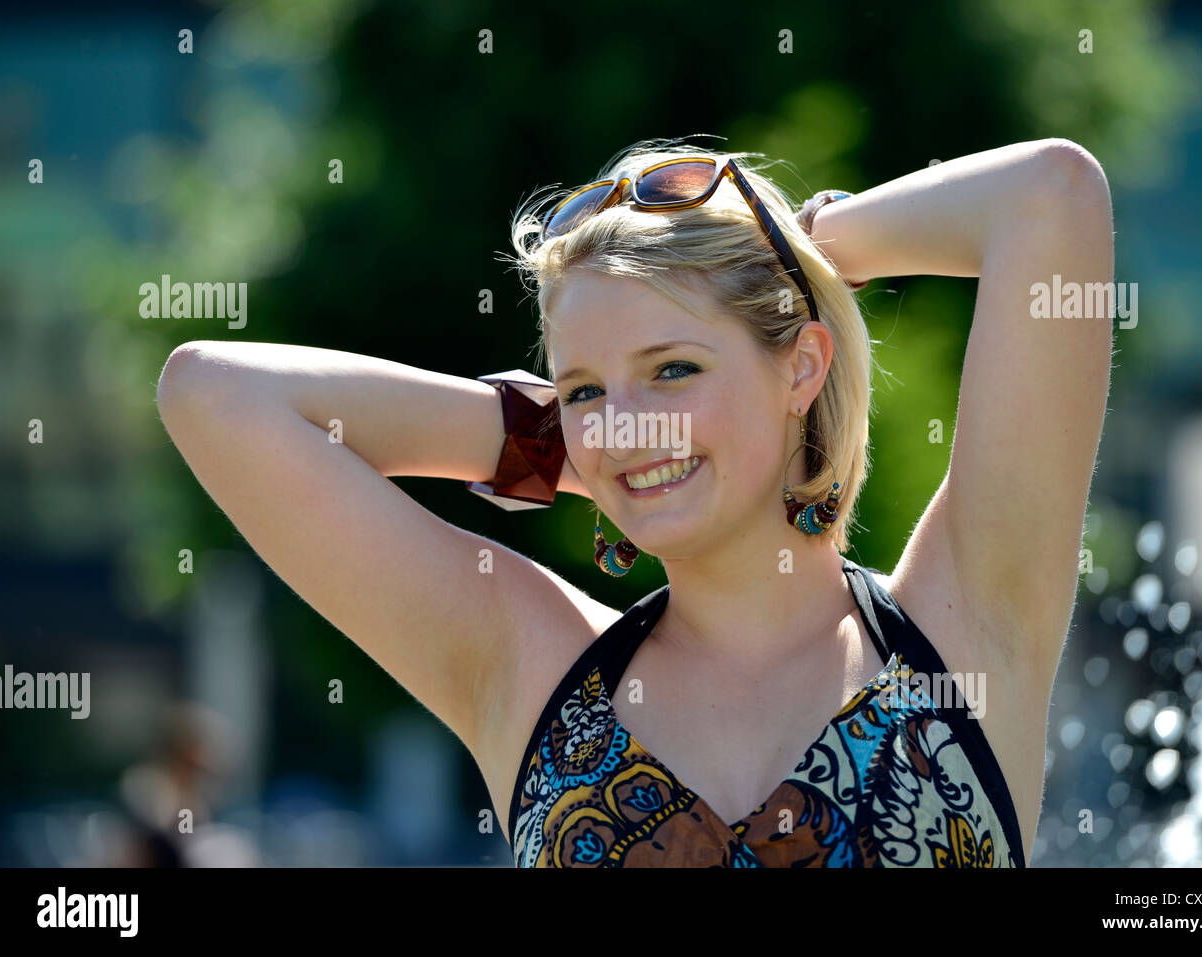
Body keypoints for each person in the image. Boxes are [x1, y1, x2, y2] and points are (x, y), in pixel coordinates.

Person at [155, 135, 1113, 867]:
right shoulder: (524, 666)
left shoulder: (966, 619)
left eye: (672, 370)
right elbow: (213, 393)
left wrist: (795, 246)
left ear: (802, 365)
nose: (625, 424)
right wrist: (550, 446)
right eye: (583, 387)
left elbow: (1050, 195)